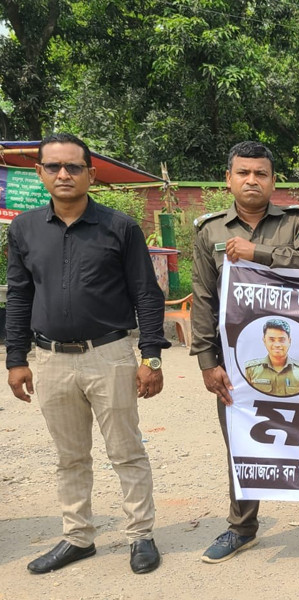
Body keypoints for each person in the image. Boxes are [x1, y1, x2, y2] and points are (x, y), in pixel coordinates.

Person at [5, 133, 168, 575]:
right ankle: (78, 537)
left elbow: (146, 295)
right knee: (69, 455)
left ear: (90, 174)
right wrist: (15, 358)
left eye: (73, 167)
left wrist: (150, 356)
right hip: (51, 359)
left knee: (126, 450)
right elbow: (19, 295)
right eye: (54, 167)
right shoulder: (24, 229)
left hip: (110, 354)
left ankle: (140, 535)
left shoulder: (120, 227)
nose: (64, 174)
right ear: (39, 173)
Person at [190, 141, 299, 564]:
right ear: (229, 179)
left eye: (261, 173)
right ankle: (242, 528)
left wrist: (257, 253)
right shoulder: (210, 232)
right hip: (237, 361)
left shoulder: (297, 223)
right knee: (242, 442)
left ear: (274, 180)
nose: (251, 180)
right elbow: (203, 298)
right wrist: (207, 362)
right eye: (243, 173)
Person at [243, 318, 299, 396]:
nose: (277, 345)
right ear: (264, 340)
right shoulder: (249, 371)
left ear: (289, 341)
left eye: (281, 340)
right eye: (272, 340)